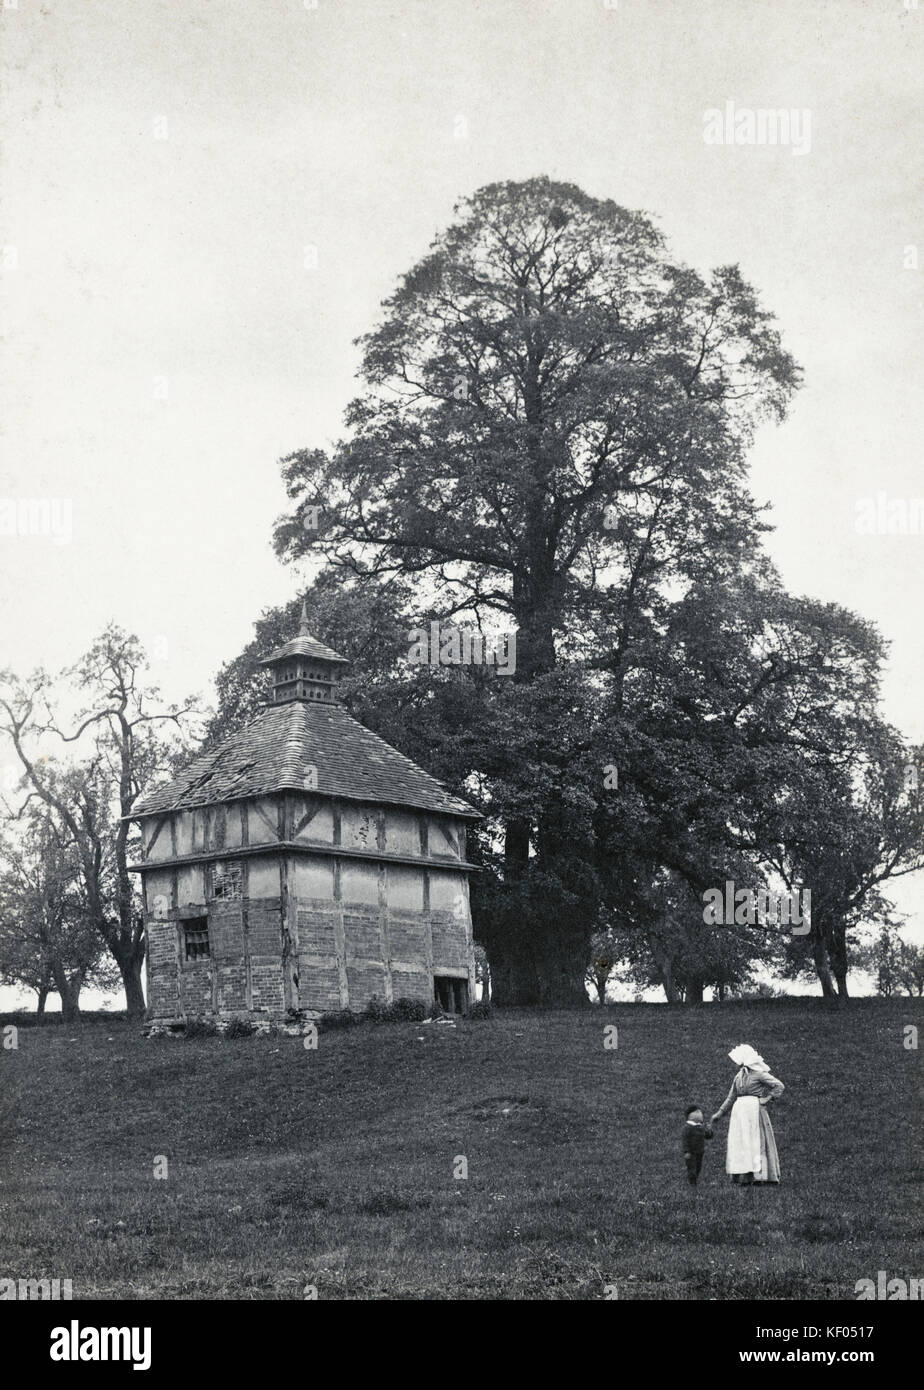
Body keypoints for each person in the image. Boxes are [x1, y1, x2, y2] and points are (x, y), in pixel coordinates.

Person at [711, 1044, 784, 1185]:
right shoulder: (739, 1076)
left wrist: (767, 1099)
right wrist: (719, 1113)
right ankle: (745, 1177)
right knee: (743, 1143)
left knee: (758, 1143)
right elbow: (731, 1097)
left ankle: (761, 1176)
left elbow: (778, 1085)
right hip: (741, 1113)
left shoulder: (759, 1074)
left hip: (755, 1111)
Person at [682, 1105, 713, 1185]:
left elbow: (708, 1136)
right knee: (692, 1167)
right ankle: (692, 1182)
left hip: (700, 1151)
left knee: (698, 1167)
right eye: (696, 1112)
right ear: (690, 1116)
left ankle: (695, 1179)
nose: (700, 1114)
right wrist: (686, 1151)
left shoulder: (700, 1127)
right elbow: (685, 1140)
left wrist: (709, 1130)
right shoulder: (688, 1127)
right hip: (691, 1153)